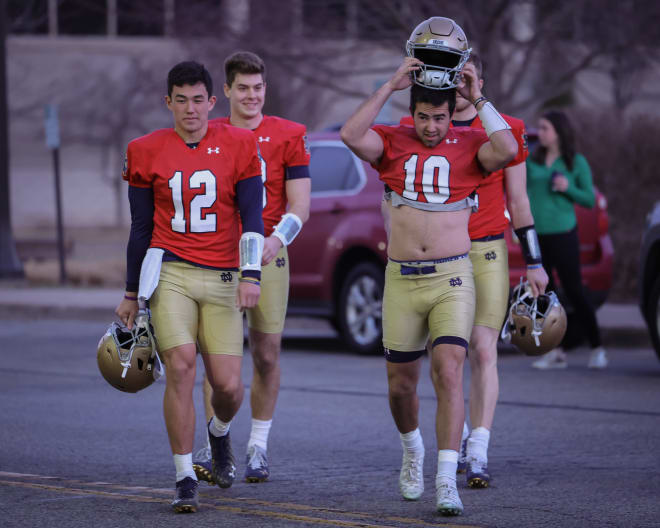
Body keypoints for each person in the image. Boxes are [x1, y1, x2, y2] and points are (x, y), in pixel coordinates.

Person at [340, 44, 518, 517]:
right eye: (423, 116)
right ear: (412, 112)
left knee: (449, 370)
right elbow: (350, 133)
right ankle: (412, 449)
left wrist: (477, 97)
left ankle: (445, 479)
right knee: (400, 386)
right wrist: (390, 85)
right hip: (401, 279)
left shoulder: (467, 145)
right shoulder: (394, 140)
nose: (432, 126)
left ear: (448, 114)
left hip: (452, 277)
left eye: (439, 117)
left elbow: (508, 148)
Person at [115, 61, 265, 513]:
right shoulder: (145, 149)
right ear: (168, 103)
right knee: (180, 368)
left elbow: (253, 217)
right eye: (180, 100)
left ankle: (218, 434)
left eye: (198, 99)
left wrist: (251, 274)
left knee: (229, 387)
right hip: (172, 273)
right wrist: (129, 292)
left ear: (211, 101)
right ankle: (183, 476)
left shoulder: (240, 143)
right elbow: (141, 228)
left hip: (222, 275)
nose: (190, 109)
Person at [192, 51, 311, 484]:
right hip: (220, 256)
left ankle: (258, 444)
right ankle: (211, 443)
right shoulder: (210, 132)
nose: (251, 96)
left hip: (269, 255)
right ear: (225, 91)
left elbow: (301, 205)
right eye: (242, 88)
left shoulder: (288, 134)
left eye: (258, 88)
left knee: (266, 352)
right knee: (217, 357)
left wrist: (274, 240)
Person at [449, 53, 549, 489]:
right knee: (449, 356)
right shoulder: (430, 125)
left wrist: (534, 261)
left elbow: (519, 201)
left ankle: (479, 450)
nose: (457, 88)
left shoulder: (507, 129)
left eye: (464, 79)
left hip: (488, 249)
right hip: (443, 253)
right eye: (450, 78)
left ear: (478, 80)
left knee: (484, 348)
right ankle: (461, 435)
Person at [526, 110, 608, 370]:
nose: (541, 133)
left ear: (559, 132)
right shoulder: (533, 160)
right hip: (537, 236)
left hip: (564, 234)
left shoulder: (575, 162)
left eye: (545, 128)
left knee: (573, 290)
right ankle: (554, 350)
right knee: (543, 293)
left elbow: (588, 199)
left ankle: (597, 347)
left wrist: (567, 188)